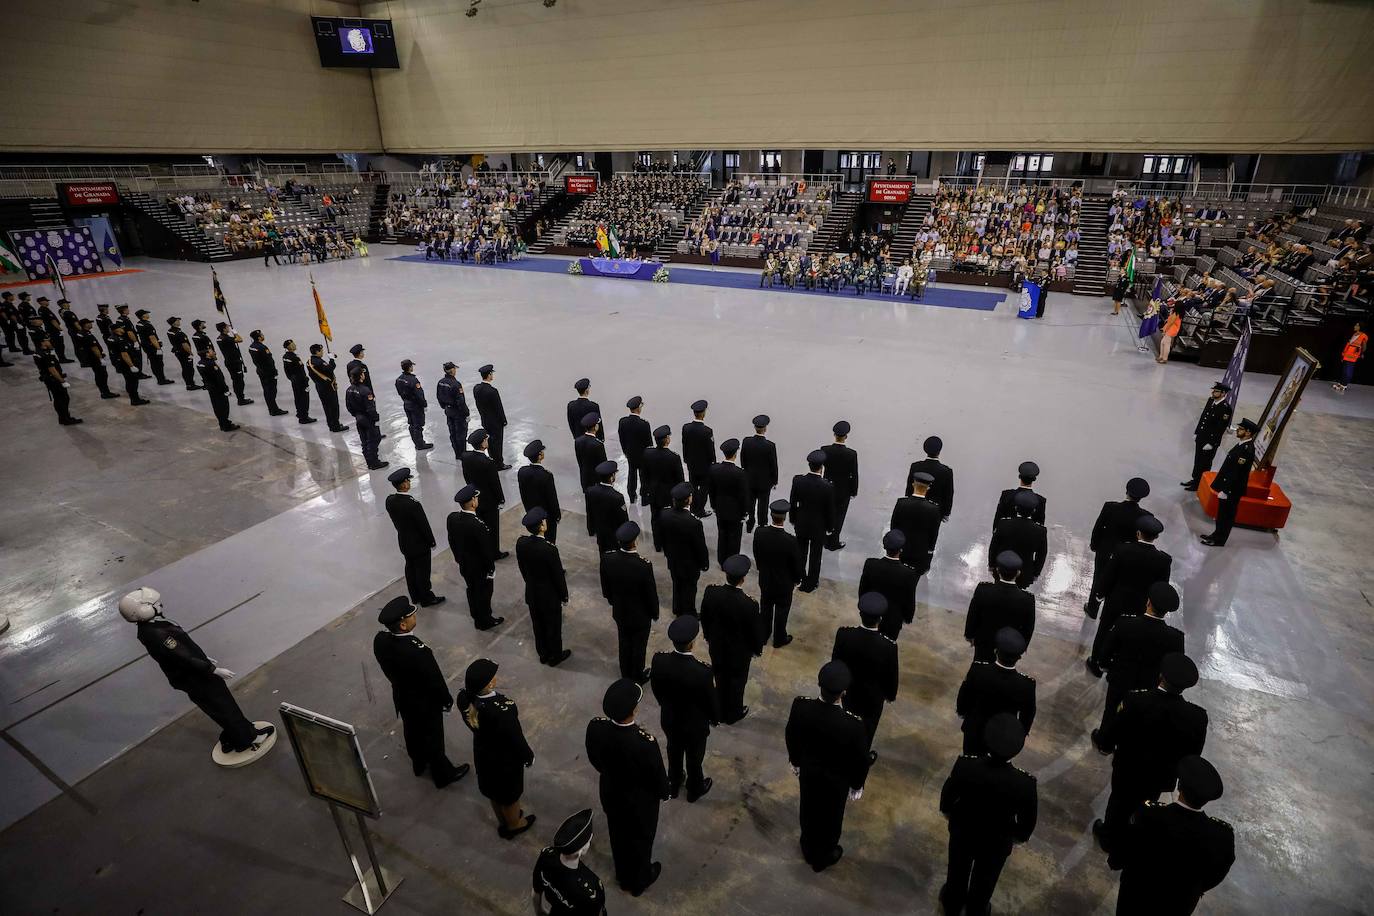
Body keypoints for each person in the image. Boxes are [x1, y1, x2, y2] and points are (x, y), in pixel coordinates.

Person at [119, 586, 274, 754]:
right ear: (141, 611)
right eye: (155, 604)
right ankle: (246, 740)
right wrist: (212, 669)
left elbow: (183, 651)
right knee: (224, 706)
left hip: (192, 676)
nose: (160, 605)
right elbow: (183, 658)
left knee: (217, 707)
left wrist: (204, 658)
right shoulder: (157, 634)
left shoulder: (151, 627)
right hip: (197, 678)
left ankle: (235, 734)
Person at [1092, 652, 1208, 851]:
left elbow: (1115, 730)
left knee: (1119, 801)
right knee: (1147, 804)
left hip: (1128, 767)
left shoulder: (1135, 700)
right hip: (1161, 775)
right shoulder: (1197, 717)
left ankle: (1108, 838)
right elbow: (1193, 755)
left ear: (1160, 675)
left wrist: (1106, 745)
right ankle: (1133, 836)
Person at [938, 714, 1038, 916]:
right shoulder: (1025, 784)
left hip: (963, 830)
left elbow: (946, 800)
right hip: (997, 841)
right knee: (986, 879)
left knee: (957, 868)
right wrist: (1013, 835)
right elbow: (1026, 825)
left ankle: (952, 902)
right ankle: (977, 908)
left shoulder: (965, 765)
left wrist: (951, 815)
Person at [1111, 755, 1235, 914]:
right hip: (1179, 905)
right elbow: (1218, 872)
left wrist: (1116, 862)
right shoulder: (1222, 837)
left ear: (1179, 785)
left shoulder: (1148, 815)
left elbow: (1125, 847)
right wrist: (1196, 888)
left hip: (1136, 898)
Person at [371, 595, 470, 788]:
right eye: (410, 615)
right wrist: (446, 700)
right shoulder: (418, 651)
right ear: (403, 625)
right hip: (425, 703)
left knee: (412, 731)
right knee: (433, 737)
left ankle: (419, 763)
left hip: (402, 697)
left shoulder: (380, 641)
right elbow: (434, 680)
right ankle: (443, 775)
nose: (414, 616)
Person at [584, 679, 670, 896]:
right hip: (639, 803)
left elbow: (594, 757)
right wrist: (665, 793)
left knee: (618, 836)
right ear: (634, 710)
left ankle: (623, 876)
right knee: (641, 839)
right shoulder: (645, 743)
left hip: (611, 793)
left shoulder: (596, 727)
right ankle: (639, 881)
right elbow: (657, 776)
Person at [784, 660, 871, 872]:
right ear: (844, 692)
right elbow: (860, 759)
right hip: (836, 781)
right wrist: (857, 784)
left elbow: (791, 735)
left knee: (808, 809)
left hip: (809, 773)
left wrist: (795, 761)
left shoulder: (801, 706)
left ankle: (808, 847)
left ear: (819, 684)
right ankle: (823, 856)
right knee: (831, 817)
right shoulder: (854, 725)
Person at [455, 658, 537, 838]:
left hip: (484, 753)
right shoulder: (502, 710)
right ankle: (514, 825)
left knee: (494, 792)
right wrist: (528, 756)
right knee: (510, 797)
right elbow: (515, 737)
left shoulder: (464, 698)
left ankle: (503, 821)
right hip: (504, 760)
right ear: (490, 683)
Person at [1096, 581, 1183, 740]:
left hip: (1120, 680)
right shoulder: (1176, 638)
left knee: (1111, 711)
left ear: (1148, 602)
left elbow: (1106, 652)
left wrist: (1106, 667)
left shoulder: (1124, 624)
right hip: (1150, 686)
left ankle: (1104, 740)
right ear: (1167, 611)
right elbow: (1174, 667)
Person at [1087, 514, 1171, 676]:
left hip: (1116, 601)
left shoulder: (1123, 550)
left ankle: (1096, 663)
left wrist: (1100, 594)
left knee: (1105, 630)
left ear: (1138, 533)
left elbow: (1109, 575)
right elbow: (1161, 586)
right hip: (1141, 604)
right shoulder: (1163, 560)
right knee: (1131, 633)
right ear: (1156, 537)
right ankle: (1117, 663)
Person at [650, 615, 720, 802]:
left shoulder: (659, 661)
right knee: (694, 757)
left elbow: (656, 688)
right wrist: (715, 719)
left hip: (670, 718)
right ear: (692, 643)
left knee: (673, 750)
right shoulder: (703, 672)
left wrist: (665, 704)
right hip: (694, 725)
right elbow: (710, 701)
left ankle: (673, 784)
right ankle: (695, 789)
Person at [831, 593, 899, 756]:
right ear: (880, 619)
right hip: (872, 698)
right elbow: (891, 675)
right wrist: (890, 695)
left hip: (847, 691)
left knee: (844, 722)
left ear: (860, 613)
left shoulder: (844, 635)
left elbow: (836, 662)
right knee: (867, 729)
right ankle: (860, 758)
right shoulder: (888, 646)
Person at [699, 554, 764, 724]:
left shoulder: (711, 592)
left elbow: (704, 617)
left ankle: (719, 710)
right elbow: (754, 632)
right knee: (737, 683)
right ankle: (733, 714)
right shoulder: (749, 604)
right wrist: (757, 649)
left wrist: (708, 636)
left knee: (720, 677)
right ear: (743, 578)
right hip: (739, 653)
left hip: (717, 646)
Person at [956, 628, 1036, 755]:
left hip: (975, 731)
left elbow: (963, 698)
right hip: (1003, 737)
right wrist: (1019, 734)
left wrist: (964, 714)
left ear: (996, 651)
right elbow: (1028, 715)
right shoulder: (1027, 685)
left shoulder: (977, 671)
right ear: (1019, 657)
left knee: (970, 761)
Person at [599, 521, 660, 683]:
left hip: (620, 611)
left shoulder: (608, 559)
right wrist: (654, 613)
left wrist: (613, 601)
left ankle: (625, 673)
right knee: (639, 646)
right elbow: (650, 594)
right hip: (640, 616)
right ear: (635, 541)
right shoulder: (643, 566)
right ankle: (637, 676)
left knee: (624, 642)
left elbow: (606, 588)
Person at [1085, 477, 1152, 619]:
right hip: (1128, 555)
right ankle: (1109, 612)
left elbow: (1098, 528)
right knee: (1118, 582)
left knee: (1098, 578)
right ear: (1141, 498)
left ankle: (1092, 608)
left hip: (1105, 552)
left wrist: (1094, 545)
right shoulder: (1145, 516)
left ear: (1126, 491)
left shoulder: (1110, 507)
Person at [516, 508, 571, 666]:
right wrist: (564, 596)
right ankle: (555, 656)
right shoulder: (549, 549)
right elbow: (557, 576)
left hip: (532, 593)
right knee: (553, 626)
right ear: (541, 526)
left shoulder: (521, 543)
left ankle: (543, 653)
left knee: (538, 625)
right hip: (549, 596)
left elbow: (522, 568)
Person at [447, 484, 504, 630]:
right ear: (473, 502)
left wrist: (458, 558)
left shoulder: (452, 518)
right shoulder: (477, 525)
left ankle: (476, 615)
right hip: (479, 568)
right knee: (484, 593)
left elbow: (452, 541)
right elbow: (485, 551)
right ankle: (485, 620)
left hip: (465, 565)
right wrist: (491, 569)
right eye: (476, 498)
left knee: (471, 590)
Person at [385, 467, 444, 608]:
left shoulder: (390, 501)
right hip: (419, 544)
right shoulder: (413, 504)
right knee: (422, 572)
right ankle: (427, 598)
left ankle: (415, 595)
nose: (409, 483)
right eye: (408, 481)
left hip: (404, 542)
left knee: (410, 569)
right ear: (404, 484)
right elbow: (423, 525)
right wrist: (431, 541)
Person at [531, 809, 606, 916]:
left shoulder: (546, 855)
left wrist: (540, 911)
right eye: (589, 841)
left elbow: (536, 892)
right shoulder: (591, 888)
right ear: (581, 851)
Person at [753, 498, 805, 648]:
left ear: (771, 515)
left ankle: (764, 635)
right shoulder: (791, 541)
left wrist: (761, 569)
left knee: (765, 608)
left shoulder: (760, 533)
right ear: (785, 517)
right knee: (782, 611)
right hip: (784, 583)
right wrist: (797, 579)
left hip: (765, 579)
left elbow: (757, 553)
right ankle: (779, 638)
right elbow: (796, 564)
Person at [965, 552, 1036, 661]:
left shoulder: (983, 590)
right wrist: (1022, 646)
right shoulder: (1027, 599)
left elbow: (973, 615)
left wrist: (969, 635)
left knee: (980, 665)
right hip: (1009, 646)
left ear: (997, 570)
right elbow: (1028, 627)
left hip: (983, 641)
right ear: (1018, 573)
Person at [1201, 418, 1257, 547]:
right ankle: (1216, 534)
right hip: (1228, 487)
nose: (1237, 430)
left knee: (1226, 516)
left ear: (1248, 432)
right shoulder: (1241, 445)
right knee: (1221, 514)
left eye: (1241, 429)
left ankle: (1220, 540)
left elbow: (1236, 473)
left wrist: (1226, 491)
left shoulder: (1247, 449)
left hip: (1233, 490)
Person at [859, 530, 920, 641]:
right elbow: (909, 599)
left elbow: (863, 589)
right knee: (887, 644)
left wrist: (864, 606)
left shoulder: (870, 564)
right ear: (901, 549)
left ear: (884, 546)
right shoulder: (909, 574)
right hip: (893, 619)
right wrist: (908, 617)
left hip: (871, 612)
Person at [660, 482, 710, 616]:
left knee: (677, 584)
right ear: (689, 499)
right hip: (689, 564)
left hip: (673, 559)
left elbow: (662, 537)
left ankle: (677, 608)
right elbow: (699, 546)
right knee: (690, 589)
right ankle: (689, 613)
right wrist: (704, 564)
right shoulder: (694, 523)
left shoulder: (665, 515)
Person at [790, 450, 837, 592]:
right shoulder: (827, 487)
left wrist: (793, 519)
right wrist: (830, 527)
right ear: (821, 467)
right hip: (818, 526)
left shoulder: (798, 481)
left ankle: (799, 578)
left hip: (801, 522)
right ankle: (811, 583)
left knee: (801, 552)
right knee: (816, 556)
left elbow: (793, 502)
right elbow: (829, 510)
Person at [461, 430, 508, 558]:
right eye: (486, 440)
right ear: (483, 444)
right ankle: (494, 553)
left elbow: (466, 477)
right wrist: (501, 499)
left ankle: (482, 550)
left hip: (475, 498)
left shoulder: (466, 457)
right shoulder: (488, 462)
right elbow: (495, 484)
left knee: (480, 526)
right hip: (489, 500)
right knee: (492, 528)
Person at [987, 489, 1048, 588]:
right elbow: (1041, 555)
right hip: (1025, 572)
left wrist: (991, 565)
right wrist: (1035, 573)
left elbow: (993, 547)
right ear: (1033, 511)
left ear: (1016, 508)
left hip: (1002, 568)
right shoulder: (1041, 531)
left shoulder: (1003, 524)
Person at [641, 425, 684, 552]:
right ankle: (669, 543)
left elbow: (644, 475)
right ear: (667, 440)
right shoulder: (674, 457)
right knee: (670, 520)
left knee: (655, 519)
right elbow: (679, 480)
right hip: (669, 495)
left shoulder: (648, 453)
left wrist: (645, 491)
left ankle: (658, 544)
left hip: (653, 493)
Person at [1181, 382, 1232, 491]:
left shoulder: (1226, 408)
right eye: (1213, 390)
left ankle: (1199, 483)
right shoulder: (1211, 401)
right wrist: (1197, 432)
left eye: (1216, 391)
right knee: (1197, 460)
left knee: (1204, 463)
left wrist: (1211, 443)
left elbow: (1220, 428)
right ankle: (1195, 479)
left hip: (1210, 441)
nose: (1213, 392)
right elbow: (1203, 417)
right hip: (1201, 437)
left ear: (1223, 393)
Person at [891, 471, 942, 577]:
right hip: (919, 552)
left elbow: (894, 526)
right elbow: (933, 534)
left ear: (913, 484)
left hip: (900, 548)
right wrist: (930, 551)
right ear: (928, 488)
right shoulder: (934, 509)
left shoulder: (901, 503)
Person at [708, 439, 750, 567]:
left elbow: (712, 491)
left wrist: (714, 506)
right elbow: (743, 496)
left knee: (722, 535)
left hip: (720, 508)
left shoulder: (714, 469)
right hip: (735, 511)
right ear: (735, 454)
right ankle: (732, 563)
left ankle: (722, 560)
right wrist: (744, 512)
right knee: (734, 538)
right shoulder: (740, 473)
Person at [820, 421, 860, 550]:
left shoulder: (825, 450)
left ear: (834, 435)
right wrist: (853, 491)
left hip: (827, 486)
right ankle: (833, 541)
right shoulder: (851, 454)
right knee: (839, 516)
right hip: (843, 489)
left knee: (826, 512)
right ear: (846, 436)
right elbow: (854, 474)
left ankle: (823, 538)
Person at [518, 440, 563, 545]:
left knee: (536, 535)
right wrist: (557, 515)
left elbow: (523, 493)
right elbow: (552, 498)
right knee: (549, 539)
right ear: (540, 456)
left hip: (531, 512)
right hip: (546, 515)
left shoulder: (522, 472)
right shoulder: (546, 476)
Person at [740, 414, 779, 533]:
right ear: (765, 428)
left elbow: (743, 460)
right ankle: (762, 525)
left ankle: (750, 521)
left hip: (750, 479)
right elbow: (773, 465)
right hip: (764, 481)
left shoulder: (746, 441)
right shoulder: (770, 446)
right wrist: (774, 480)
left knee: (750, 502)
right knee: (763, 504)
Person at [346, 367, 388, 471]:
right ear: (361, 376)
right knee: (374, 440)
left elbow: (349, 406)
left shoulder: (349, 389)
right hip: (367, 418)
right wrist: (375, 418)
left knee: (364, 441)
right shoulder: (365, 390)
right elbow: (370, 408)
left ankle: (369, 462)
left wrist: (356, 415)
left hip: (358, 418)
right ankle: (374, 462)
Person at [32, 337, 80, 425]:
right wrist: (62, 381)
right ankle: (66, 419)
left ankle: (62, 418)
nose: (49, 341)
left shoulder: (37, 352)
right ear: (42, 343)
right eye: (47, 340)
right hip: (54, 380)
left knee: (58, 399)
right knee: (63, 399)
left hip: (48, 379)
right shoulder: (46, 354)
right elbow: (52, 370)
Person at [907, 435, 955, 521]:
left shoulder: (915, 466)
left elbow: (909, 488)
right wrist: (946, 513)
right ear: (939, 451)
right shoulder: (946, 471)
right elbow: (948, 494)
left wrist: (906, 505)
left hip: (914, 509)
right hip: (935, 513)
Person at [681, 400, 715, 517]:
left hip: (691, 463)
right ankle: (700, 509)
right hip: (704, 465)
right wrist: (713, 462)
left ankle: (693, 507)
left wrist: (686, 459)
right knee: (705, 488)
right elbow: (710, 450)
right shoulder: (707, 431)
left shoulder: (686, 428)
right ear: (703, 413)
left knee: (693, 486)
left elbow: (684, 445)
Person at [474, 364, 511, 468]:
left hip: (485, 420)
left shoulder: (476, 388)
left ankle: (492, 459)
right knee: (497, 443)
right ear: (489, 375)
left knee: (489, 441)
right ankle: (499, 464)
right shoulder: (492, 391)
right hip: (495, 422)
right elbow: (498, 408)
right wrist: (504, 421)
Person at [617, 396, 652, 506]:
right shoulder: (644, 424)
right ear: (638, 408)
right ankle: (644, 497)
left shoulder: (623, 422)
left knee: (631, 474)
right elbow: (649, 443)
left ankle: (632, 495)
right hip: (642, 455)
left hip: (630, 454)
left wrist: (625, 452)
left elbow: (621, 439)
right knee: (644, 476)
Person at [247, 330, 289, 416]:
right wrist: (274, 372)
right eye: (261, 335)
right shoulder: (262, 348)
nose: (263, 335)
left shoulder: (251, 347)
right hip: (268, 373)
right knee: (271, 391)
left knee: (266, 390)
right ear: (259, 337)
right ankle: (274, 410)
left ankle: (271, 408)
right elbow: (269, 361)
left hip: (260, 371)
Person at [308, 344, 349, 432]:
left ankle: (331, 424)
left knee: (327, 407)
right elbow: (330, 368)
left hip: (320, 386)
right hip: (328, 387)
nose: (322, 352)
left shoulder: (310, 361)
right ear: (317, 351)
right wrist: (331, 359)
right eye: (321, 351)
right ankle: (336, 426)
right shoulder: (318, 362)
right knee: (333, 407)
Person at [197, 346, 238, 432]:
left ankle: (222, 423)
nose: (213, 352)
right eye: (211, 351)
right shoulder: (211, 364)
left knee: (216, 406)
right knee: (223, 407)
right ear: (207, 354)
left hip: (211, 388)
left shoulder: (199, 363)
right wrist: (225, 389)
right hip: (218, 389)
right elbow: (219, 378)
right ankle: (226, 425)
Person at [75, 318, 119, 400]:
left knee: (98, 375)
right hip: (95, 358)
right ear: (85, 325)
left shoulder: (80, 333)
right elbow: (94, 348)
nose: (91, 324)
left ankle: (103, 391)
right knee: (102, 375)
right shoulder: (87, 335)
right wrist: (100, 358)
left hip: (90, 357)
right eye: (89, 323)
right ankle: (105, 393)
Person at [395, 360, 434, 450]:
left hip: (407, 404)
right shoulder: (413, 380)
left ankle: (417, 442)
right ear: (409, 367)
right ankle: (420, 444)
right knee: (418, 425)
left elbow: (399, 392)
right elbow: (419, 394)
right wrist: (424, 404)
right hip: (415, 406)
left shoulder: (399, 379)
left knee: (412, 424)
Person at [992, 461, 1045, 526]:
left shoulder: (1006, 495)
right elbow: (1040, 526)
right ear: (1034, 479)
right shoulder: (1040, 500)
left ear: (1019, 476)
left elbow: (997, 522)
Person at [435, 361, 469, 457]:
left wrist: (444, 407)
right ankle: (463, 454)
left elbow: (438, 396)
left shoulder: (441, 382)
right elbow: (461, 401)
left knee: (453, 433)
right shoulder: (456, 384)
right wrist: (466, 413)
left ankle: (457, 454)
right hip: (458, 412)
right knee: (461, 434)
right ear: (452, 370)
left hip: (448, 411)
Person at [109, 325, 149, 405]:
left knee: (128, 381)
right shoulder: (119, 340)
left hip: (121, 363)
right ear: (116, 329)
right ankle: (135, 399)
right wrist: (131, 366)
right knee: (132, 382)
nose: (123, 328)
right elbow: (124, 354)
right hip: (126, 364)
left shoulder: (111, 338)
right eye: (121, 327)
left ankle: (133, 397)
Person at [215, 322, 252, 405]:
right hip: (234, 362)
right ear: (224, 329)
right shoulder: (226, 338)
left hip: (229, 361)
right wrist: (235, 333)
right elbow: (240, 339)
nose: (228, 328)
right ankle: (241, 399)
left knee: (236, 380)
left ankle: (240, 398)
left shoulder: (219, 338)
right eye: (227, 327)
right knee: (239, 381)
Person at [134, 309, 173, 385]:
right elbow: (152, 337)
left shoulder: (139, 324)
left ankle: (159, 378)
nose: (148, 314)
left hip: (146, 346)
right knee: (158, 363)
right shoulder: (147, 325)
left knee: (153, 362)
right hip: (152, 347)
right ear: (143, 316)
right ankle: (161, 379)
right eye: (146, 313)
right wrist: (158, 348)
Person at [281, 340, 316, 424]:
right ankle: (304, 417)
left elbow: (286, 370)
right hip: (301, 381)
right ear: (289, 347)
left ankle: (300, 413)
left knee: (297, 397)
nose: (295, 345)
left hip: (294, 381)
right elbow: (300, 371)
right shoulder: (294, 357)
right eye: (292, 344)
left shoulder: (285, 356)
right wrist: (305, 381)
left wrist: (291, 378)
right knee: (304, 399)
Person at [574, 413, 608, 499]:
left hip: (585, 477)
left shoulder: (578, 441)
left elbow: (579, 460)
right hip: (596, 480)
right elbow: (603, 464)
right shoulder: (598, 444)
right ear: (595, 427)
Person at [1334, 322, 1366, 391]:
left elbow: (1364, 347)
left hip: (1352, 356)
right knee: (1344, 371)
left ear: (1360, 327)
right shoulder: (1354, 334)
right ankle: (1341, 383)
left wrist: (1362, 353)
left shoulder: (1363, 335)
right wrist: (1344, 354)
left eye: (1357, 325)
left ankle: (1344, 385)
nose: (1355, 326)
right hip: (1346, 354)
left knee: (1348, 372)